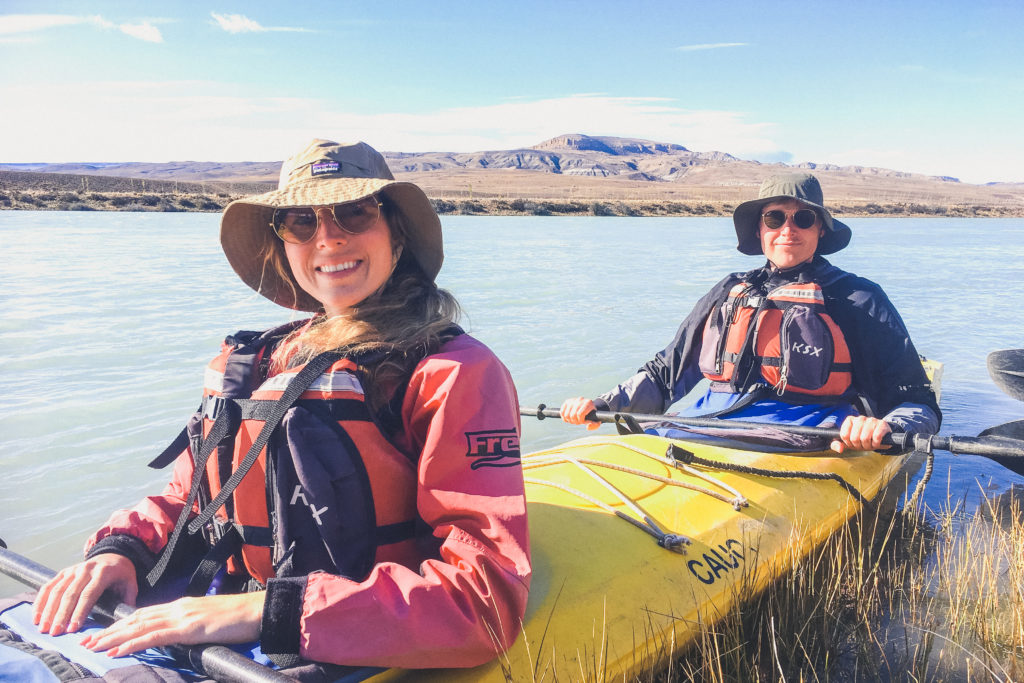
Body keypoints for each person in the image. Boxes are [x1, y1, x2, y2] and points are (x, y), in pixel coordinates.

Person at [30, 139, 531, 673]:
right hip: (229, 615)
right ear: (283, 243)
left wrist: (266, 610)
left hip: (331, 634)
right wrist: (123, 549)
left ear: (397, 232)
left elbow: (483, 602)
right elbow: (191, 497)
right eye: (300, 221)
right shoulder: (256, 359)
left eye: (354, 212)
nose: (329, 238)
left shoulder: (453, 373)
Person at [560, 173, 940, 453]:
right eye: (775, 218)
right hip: (699, 425)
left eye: (803, 218)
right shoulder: (730, 289)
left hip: (808, 439)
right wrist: (604, 404)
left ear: (821, 230)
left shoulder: (858, 298)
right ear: (760, 229)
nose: (788, 229)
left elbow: (918, 402)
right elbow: (667, 370)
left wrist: (883, 428)